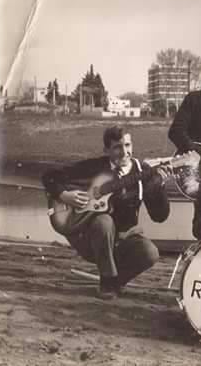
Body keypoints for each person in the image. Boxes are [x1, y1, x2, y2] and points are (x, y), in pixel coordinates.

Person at [42, 126, 171, 300]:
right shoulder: (95, 167)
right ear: (106, 150)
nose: (124, 152)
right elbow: (49, 176)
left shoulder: (143, 172)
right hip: (91, 240)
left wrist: (160, 186)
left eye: (127, 145)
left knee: (150, 253)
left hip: (124, 241)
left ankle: (112, 282)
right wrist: (65, 195)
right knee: (103, 221)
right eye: (118, 147)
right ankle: (108, 281)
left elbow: (159, 216)